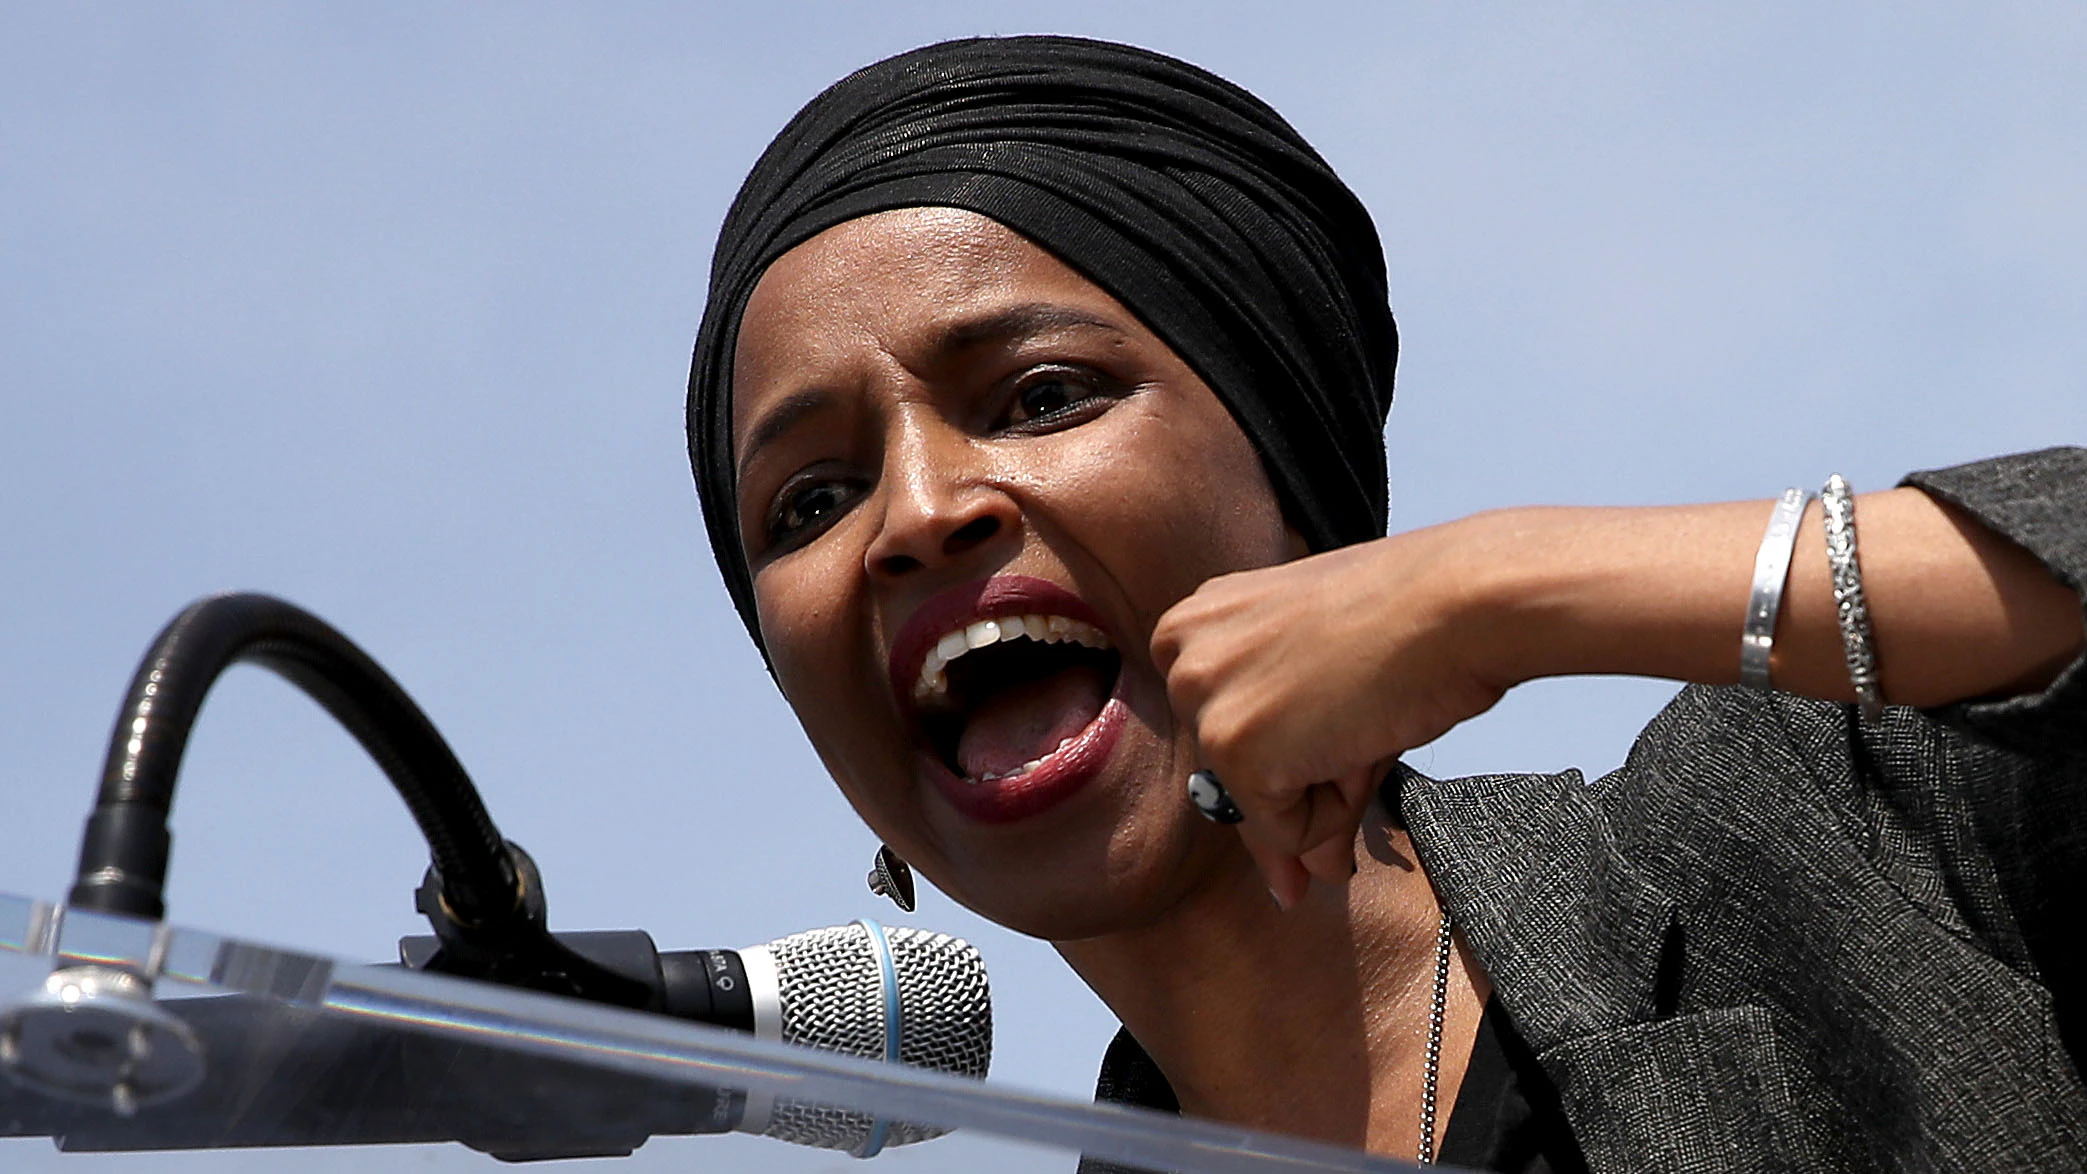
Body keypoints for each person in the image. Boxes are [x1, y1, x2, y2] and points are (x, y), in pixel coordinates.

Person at [685, 35, 2087, 1172]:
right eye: (807, 502)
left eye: (1040, 397)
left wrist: (1499, 587)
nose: (916, 515)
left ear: (1289, 473)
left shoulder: (1822, 843)